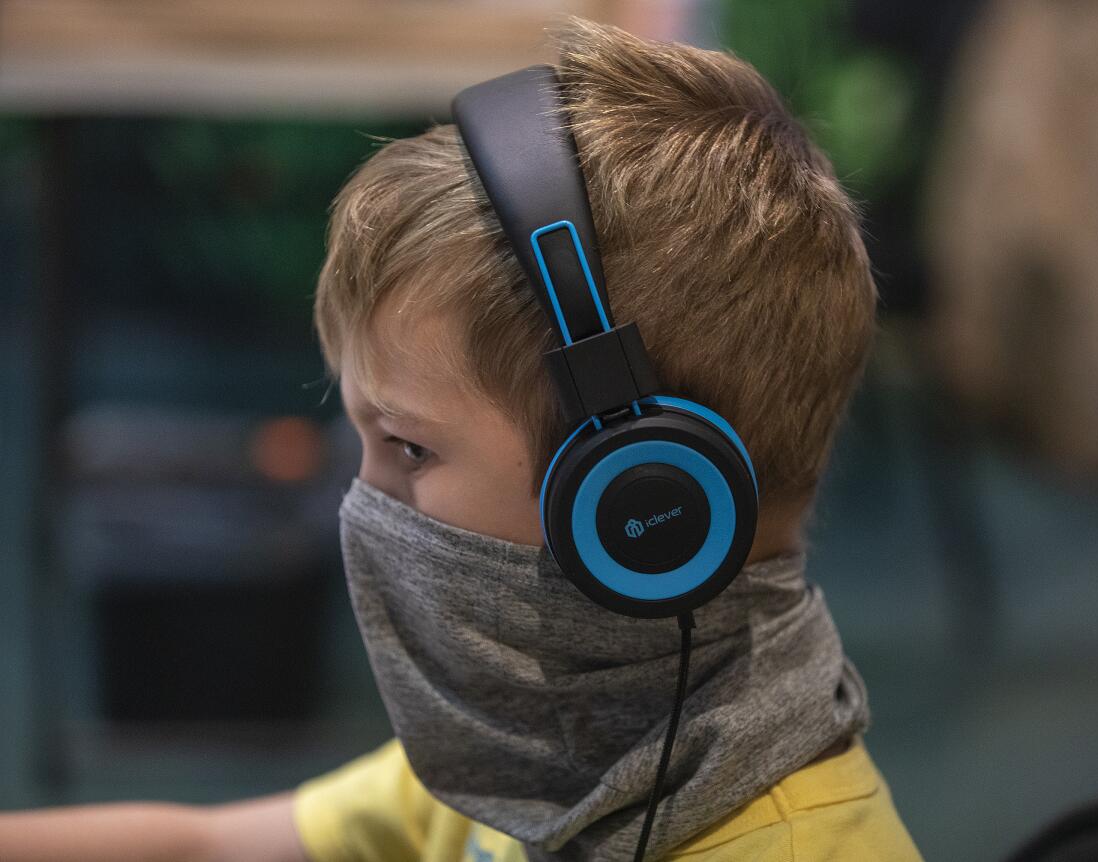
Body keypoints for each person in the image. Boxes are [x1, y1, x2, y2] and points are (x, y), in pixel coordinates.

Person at [0, 16, 923, 862]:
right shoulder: (548, 746)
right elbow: (208, 847)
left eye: (408, 449)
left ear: (641, 498)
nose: (358, 503)